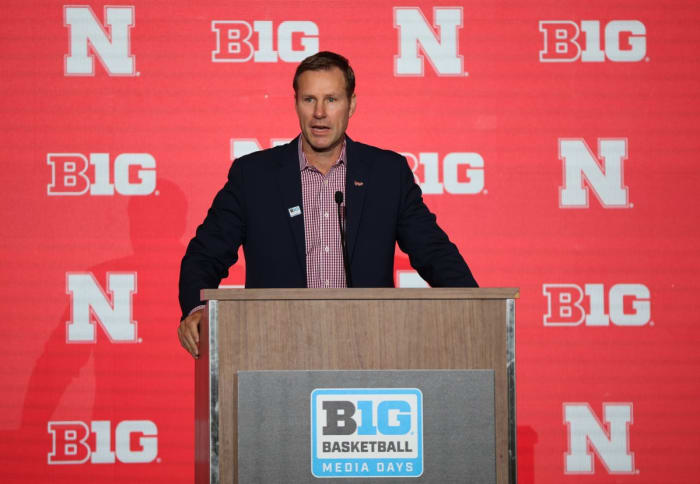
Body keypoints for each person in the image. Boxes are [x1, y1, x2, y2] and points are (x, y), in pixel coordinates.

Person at [177, 51, 477, 358]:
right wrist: (198, 309)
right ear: (296, 104)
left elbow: (434, 252)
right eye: (309, 100)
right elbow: (205, 254)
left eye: (331, 100)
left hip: (367, 351)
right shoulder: (254, 176)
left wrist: (478, 310)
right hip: (275, 351)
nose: (320, 112)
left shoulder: (387, 174)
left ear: (352, 106)